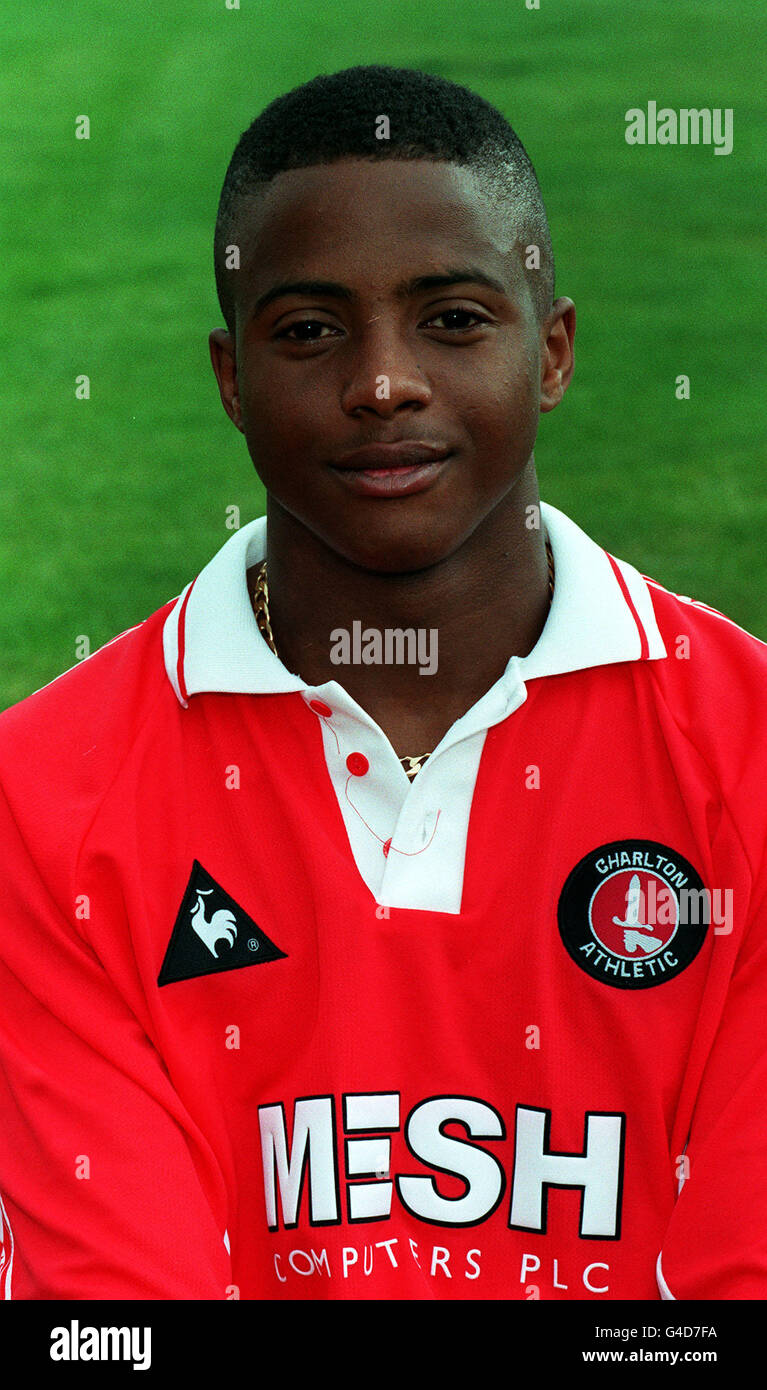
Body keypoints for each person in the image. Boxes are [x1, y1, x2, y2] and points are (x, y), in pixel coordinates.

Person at [0, 63, 765, 1302]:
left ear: (552, 349)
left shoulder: (747, 756)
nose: (381, 382)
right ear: (229, 378)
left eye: (452, 318)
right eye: (309, 331)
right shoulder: (39, 798)